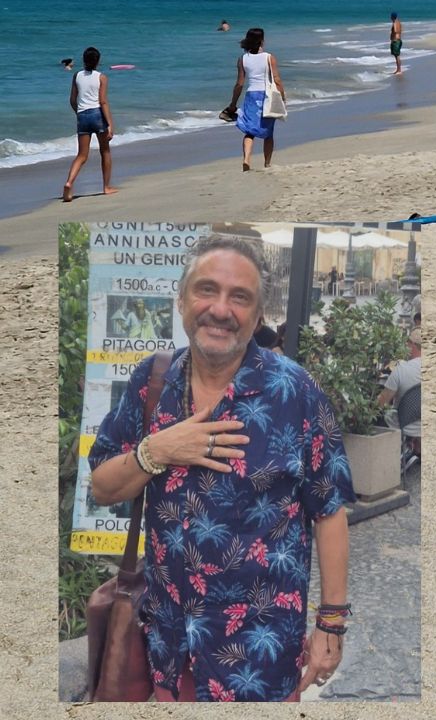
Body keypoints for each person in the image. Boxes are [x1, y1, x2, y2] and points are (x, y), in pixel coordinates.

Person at [86, 235, 354, 701]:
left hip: (261, 658)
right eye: (206, 290)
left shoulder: (295, 392)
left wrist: (331, 623)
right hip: (169, 645)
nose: (221, 309)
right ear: (183, 299)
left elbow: (329, 510)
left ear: (257, 313)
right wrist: (158, 450)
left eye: (240, 297)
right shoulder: (153, 381)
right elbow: (102, 488)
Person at [62, 45, 119, 202]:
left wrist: (79, 114)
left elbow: (72, 100)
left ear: (83, 60)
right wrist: (110, 124)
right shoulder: (102, 77)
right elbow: (103, 102)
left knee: (81, 155)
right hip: (97, 115)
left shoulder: (76, 76)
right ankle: (106, 187)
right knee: (105, 151)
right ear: (98, 61)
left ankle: (69, 182)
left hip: (83, 116)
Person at [224, 28, 285, 171]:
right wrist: (282, 97)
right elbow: (277, 79)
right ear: (262, 40)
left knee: (249, 131)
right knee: (268, 132)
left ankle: (246, 160)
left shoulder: (243, 59)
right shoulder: (269, 57)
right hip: (266, 96)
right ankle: (267, 163)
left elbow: (239, 84)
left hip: (251, 96)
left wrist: (233, 104)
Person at [377, 328, 421, 459]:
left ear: (412, 345)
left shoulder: (401, 370)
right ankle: (417, 447)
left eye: (407, 343)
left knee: (381, 416)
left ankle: (389, 459)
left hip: (405, 424)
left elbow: (381, 402)